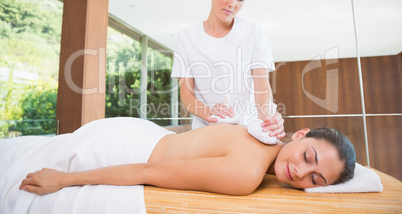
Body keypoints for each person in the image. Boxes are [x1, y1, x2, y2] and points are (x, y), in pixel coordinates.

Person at [18, 118, 356, 196]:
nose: (299, 171)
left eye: (315, 179)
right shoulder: (246, 173)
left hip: (138, 132)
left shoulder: (261, 132)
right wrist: (65, 179)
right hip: (127, 149)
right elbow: (148, 170)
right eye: (308, 156)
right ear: (300, 135)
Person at [171, 0, 284, 138]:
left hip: (246, 129)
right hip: (205, 131)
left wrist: (266, 119)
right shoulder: (186, 38)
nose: (232, 4)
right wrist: (211, 113)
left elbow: (262, 86)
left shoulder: (253, 32)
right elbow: (186, 94)